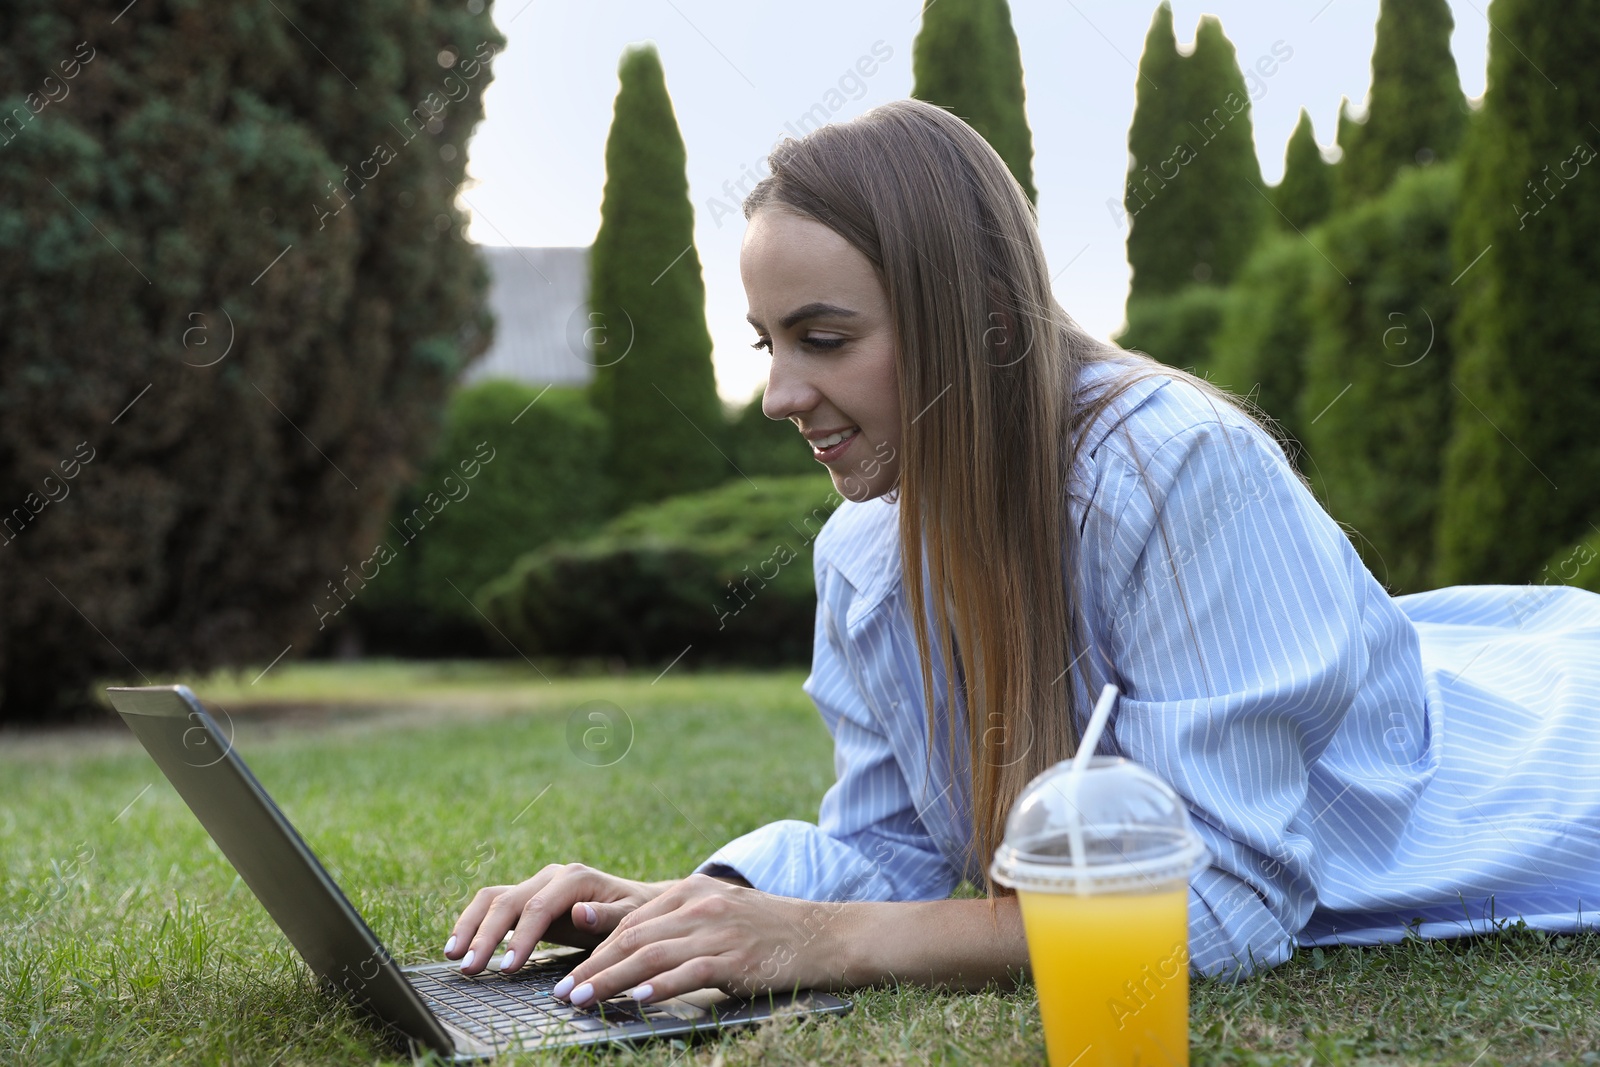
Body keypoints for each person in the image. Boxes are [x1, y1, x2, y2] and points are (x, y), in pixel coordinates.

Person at [444, 99, 1600, 1007]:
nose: (779, 394)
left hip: (1550, 766)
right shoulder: (866, 550)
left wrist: (823, 941)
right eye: (767, 343)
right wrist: (692, 902)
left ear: (985, 321)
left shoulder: (1178, 468)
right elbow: (890, 843)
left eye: (825, 339)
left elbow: (1222, 911)